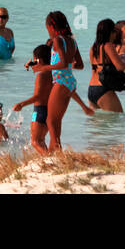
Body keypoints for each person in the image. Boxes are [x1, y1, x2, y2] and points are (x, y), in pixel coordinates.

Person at [32, 10, 95, 149]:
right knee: (56, 121)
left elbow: (63, 63)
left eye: (47, 27)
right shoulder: (72, 41)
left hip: (61, 82)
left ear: (51, 27)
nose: (47, 31)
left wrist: (44, 68)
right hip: (70, 82)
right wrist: (66, 65)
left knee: (50, 121)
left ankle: (58, 152)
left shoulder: (57, 40)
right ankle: (54, 152)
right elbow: (79, 65)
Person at [12, 44, 55, 154]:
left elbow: (38, 96)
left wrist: (21, 104)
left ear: (39, 60)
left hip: (40, 110)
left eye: (34, 59)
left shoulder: (41, 75)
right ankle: (49, 159)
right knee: (41, 140)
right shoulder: (54, 73)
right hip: (51, 109)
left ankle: (50, 160)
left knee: (35, 141)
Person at [86, 19, 125, 112]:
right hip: (103, 89)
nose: (115, 34)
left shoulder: (93, 47)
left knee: (99, 125)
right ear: (110, 32)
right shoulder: (108, 45)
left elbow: (96, 67)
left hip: (91, 89)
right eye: (114, 31)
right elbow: (120, 67)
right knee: (118, 121)